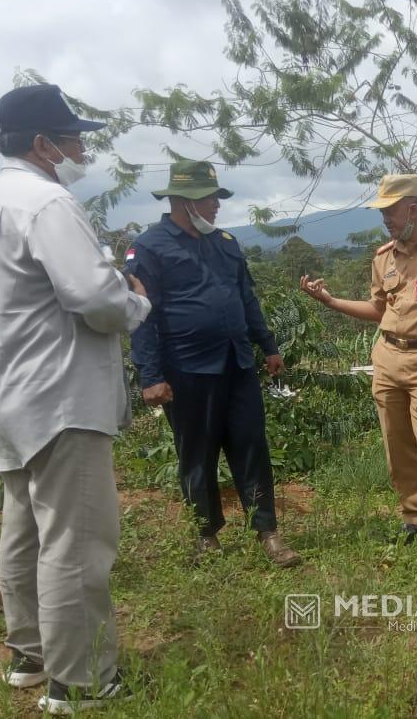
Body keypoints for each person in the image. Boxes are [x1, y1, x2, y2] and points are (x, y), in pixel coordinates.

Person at [0, 84, 149, 713]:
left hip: (9, 393)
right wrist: (137, 300)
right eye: (73, 138)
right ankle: (83, 680)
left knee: (25, 530)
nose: (80, 148)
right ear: (44, 145)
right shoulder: (47, 202)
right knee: (76, 540)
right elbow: (96, 299)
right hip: (60, 397)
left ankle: (31, 654)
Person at [299, 174, 417, 567]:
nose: (385, 218)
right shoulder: (384, 255)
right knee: (396, 443)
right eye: (383, 211)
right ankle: (414, 515)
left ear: (413, 209)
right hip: (387, 359)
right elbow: (378, 310)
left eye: (390, 210)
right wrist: (330, 301)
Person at [125, 159, 301, 567]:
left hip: (236, 364)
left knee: (251, 446)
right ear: (182, 202)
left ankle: (268, 533)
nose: (216, 206)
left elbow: (246, 299)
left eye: (216, 198)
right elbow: (140, 315)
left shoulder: (225, 242)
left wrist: (268, 345)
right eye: (209, 199)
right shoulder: (149, 247)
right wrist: (150, 376)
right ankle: (206, 536)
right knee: (197, 454)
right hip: (186, 369)